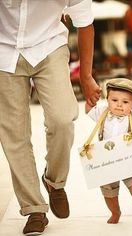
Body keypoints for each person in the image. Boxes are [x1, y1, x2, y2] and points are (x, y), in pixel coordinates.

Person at [0, 0, 101, 235]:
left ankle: (54, 181)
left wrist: (86, 77)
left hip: (49, 47)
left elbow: (85, 23)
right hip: (3, 53)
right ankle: (34, 208)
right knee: (14, 134)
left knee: (63, 118)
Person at [85, 78, 132, 224]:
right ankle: (115, 212)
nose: (119, 105)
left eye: (125, 102)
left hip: (127, 157)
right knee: (108, 189)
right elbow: (89, 109)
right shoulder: (102, 113)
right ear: (107, 99)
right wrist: (91, 98)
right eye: (114, 100)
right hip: (106, 160)